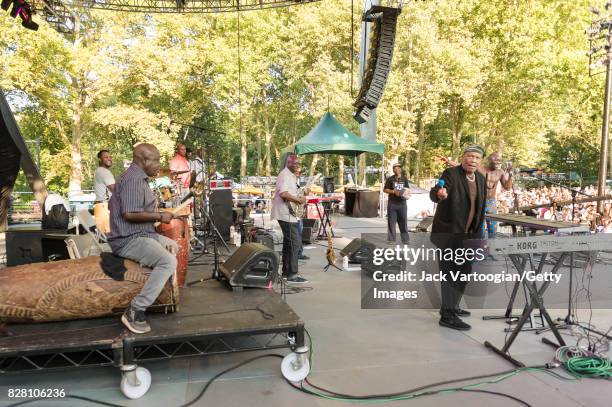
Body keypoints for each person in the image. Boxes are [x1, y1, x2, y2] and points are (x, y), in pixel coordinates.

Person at [108, 143, 179, 334]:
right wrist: (159, 216)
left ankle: (157, 291)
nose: (158, 164)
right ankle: (135, 310)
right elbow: (129, 214)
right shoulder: (133, 179)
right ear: (143, 160)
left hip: (141, 234)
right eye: (155, 160)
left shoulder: (138, 178)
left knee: (173, 246)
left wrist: (157, 214)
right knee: (167, 261)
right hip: (127, 239)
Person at [430, 145, 487, 331]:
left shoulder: (480, 177)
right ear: (463, 157)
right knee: (450, 275)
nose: (473, 160)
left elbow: (480, 209)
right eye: (470, 156)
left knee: (464, 273)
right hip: (449, 235)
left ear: (480, 161)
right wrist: (439, 194)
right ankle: (447, 316)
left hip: (469, 235)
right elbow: (437, 190)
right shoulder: (451, 173)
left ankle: (451, 306)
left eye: (477, 158)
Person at [438, 151, 512, 238]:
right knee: (479, 228)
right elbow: (461, 166)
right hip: (480, 202)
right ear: (489, 160)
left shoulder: (500, 172)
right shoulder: (480, 169)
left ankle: (493, 247)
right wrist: (449, 161)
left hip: (491, 203)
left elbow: (507, 187)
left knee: (493, 229)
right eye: (495, 159)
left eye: (499, 160)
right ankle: (480, 247)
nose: (498, 161)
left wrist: (510, 175)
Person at [271, 153, 308, 284]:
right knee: (295, 242)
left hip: (289, 213)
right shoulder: (284, 175)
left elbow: (291, 192)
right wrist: (298, 200)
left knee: (289, 242)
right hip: (284, 213)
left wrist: (303, 194)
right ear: (288, 163)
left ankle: (287, 272)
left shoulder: (291, 176)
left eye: (299, 163)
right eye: (295, 163)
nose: (298, 166)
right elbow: (283, 193)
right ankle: (292, 274)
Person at [383, 163, 410, 243]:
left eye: (398, 168)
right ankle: (391, 240)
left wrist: (406, 194)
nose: (397, 170)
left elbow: (407, 189)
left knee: (403, 222)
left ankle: (405, 240)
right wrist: (393, 191)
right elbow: (385, 189)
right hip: (392, 204)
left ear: (400, 169)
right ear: (393, 170)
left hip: (402, 204)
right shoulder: (390, 179)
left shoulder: (404, 179)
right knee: (391, 222)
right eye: (395, 168)